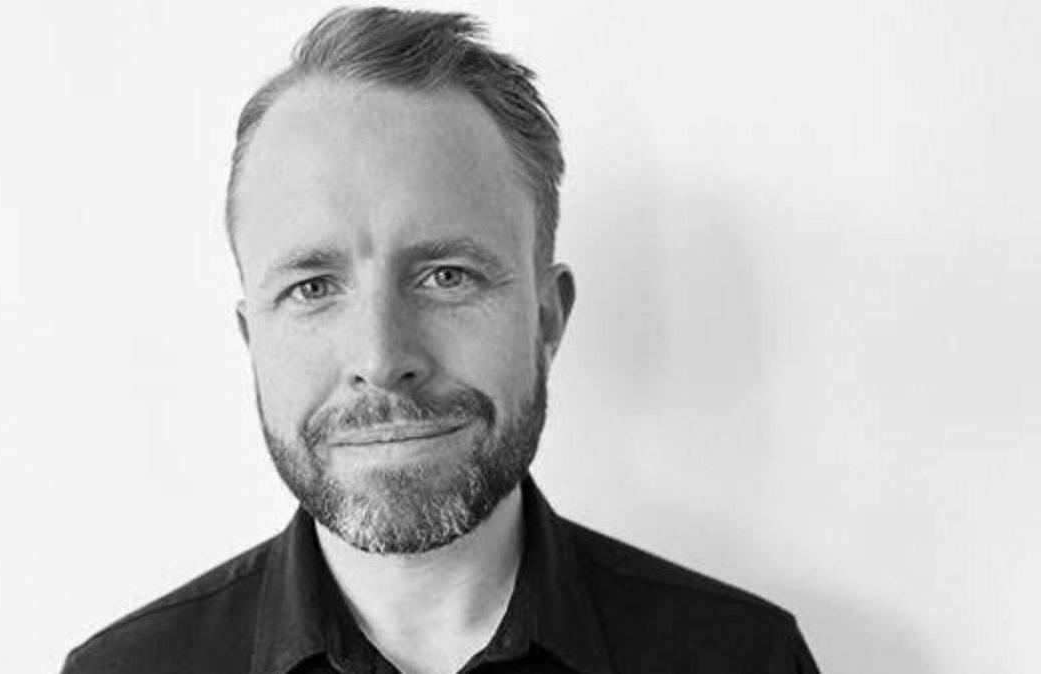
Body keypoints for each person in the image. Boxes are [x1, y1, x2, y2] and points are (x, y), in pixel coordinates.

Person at [61, 7, 819, 673]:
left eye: (446, 276)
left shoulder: (742, 657)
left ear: (548, 318)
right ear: (250, 339)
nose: (382, 359)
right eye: (313, 288)